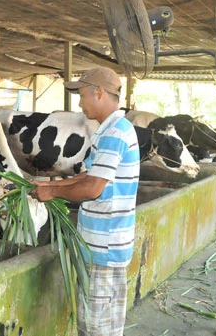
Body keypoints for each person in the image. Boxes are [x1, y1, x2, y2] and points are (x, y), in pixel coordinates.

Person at [30, 67, 140, 336]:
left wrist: (52, 193)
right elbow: (91, 174)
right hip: (102, 243)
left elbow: (92, 188)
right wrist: (50, 184)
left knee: (97, 328)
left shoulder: (115, 133)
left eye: (82, 95)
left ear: (99, 92)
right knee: (99, 323)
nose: (79, 103)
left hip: (106, 246)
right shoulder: (109, 130)